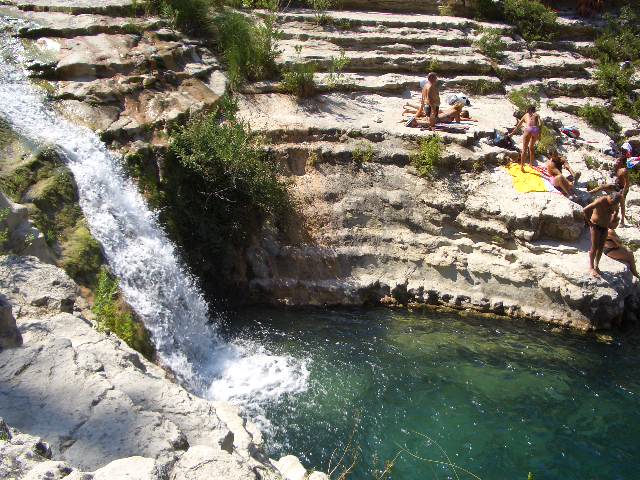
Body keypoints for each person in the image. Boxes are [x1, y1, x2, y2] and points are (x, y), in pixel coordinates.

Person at [583, 192, 622, 277]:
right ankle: (591, 267)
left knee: (601, 248)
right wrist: (589, 223)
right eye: (612, 203)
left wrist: (612, 220)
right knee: (594, 247)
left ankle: (597, 266)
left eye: (615, 203)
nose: (612, 205)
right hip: (595, 226)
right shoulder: (600, 201)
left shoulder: (615, 203)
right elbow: (585, 210)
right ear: (610, 198)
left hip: (605, 227)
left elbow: (616, 212)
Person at [588, 156, 629, 226]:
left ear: (622, 162)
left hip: (622, 188)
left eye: (618, 161)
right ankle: (589, 193)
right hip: (616, 185)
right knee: (603, 186)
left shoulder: (624, 170)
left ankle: (622, 221)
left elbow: (627, 183)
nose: (616, 162)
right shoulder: (618, 168)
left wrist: (623, 192)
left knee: (622, 204)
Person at [507, 105, 542, 172]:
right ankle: (531, 164)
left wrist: (511, 134)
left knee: (524, 149)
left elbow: (518, 126)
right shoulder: (537, 115)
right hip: (535, 130)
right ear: (534, 110)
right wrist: (539, 135)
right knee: (531, 147)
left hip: (528, 129)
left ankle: (522, 167)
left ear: (528, 110)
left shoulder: (525, 115)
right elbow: (540, 125)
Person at [604, 214, 639, 278]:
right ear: (612, 223)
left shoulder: (605, 228)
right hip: (610, 250)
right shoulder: (610, 231)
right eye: (617, 222)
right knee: (630, 256)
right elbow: (619, 243)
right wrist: (624, 248)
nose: (617, 224)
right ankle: (635, 274)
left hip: (608, 248)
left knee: (628, 251)